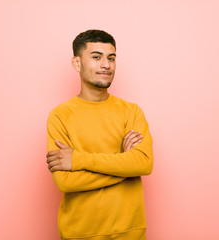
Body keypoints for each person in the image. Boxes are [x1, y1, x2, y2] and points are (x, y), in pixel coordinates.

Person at [46, 29, 153, 240]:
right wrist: (124, 165)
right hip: (79, 233)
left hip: (130, 232)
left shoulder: (131, 111)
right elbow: (66, 182)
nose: (106, 65)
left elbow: (143, 164)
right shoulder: (60, 115)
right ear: (77, 63)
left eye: (111, 58)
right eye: (96, 57)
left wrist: (77, 159)